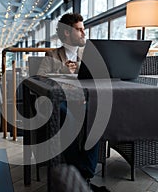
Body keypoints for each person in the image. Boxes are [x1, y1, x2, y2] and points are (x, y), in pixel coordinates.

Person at [37, 13, 110, 192]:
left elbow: (102, 77)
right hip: (60, 103)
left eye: (84, 29)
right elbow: (39, 79)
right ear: (67, 33)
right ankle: (80, 173)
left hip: (83, 100)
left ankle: (83, 174)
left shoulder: (89, 56)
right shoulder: (53, 55)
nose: (84, 33)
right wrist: (62, 71)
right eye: (79, 29)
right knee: (66, 116)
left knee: (96, 117)